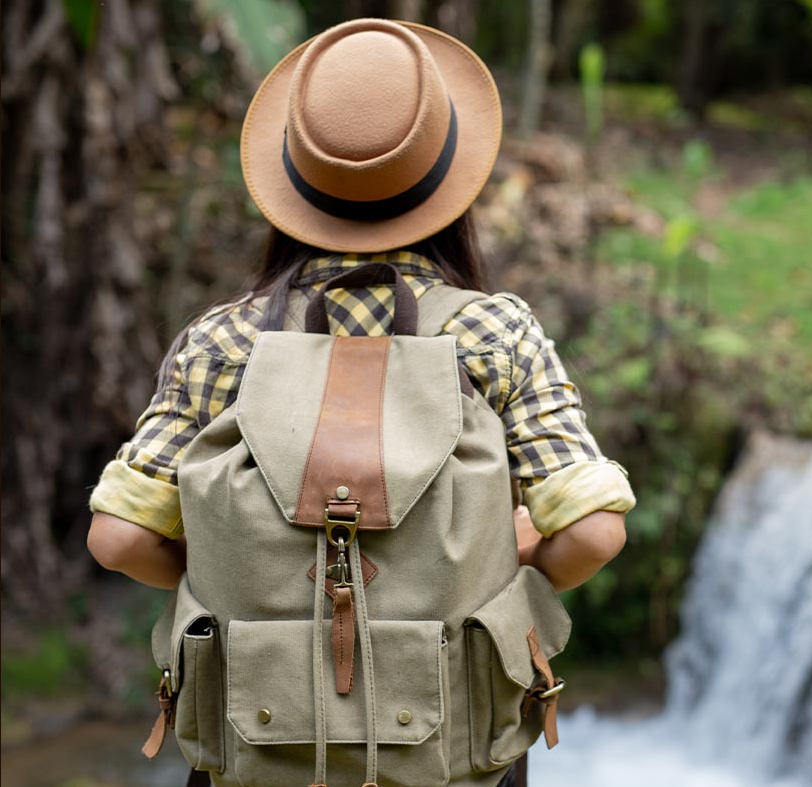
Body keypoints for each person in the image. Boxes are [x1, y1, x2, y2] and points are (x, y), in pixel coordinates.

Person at [85, 17, 634, 787]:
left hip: (257, 748)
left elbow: (116, 537)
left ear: (292, 180)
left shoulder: (222, 341)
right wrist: (503, 549)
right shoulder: (496, 333)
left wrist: (244, 559)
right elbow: (595, 532)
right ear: (449, 184)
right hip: (455, 754)